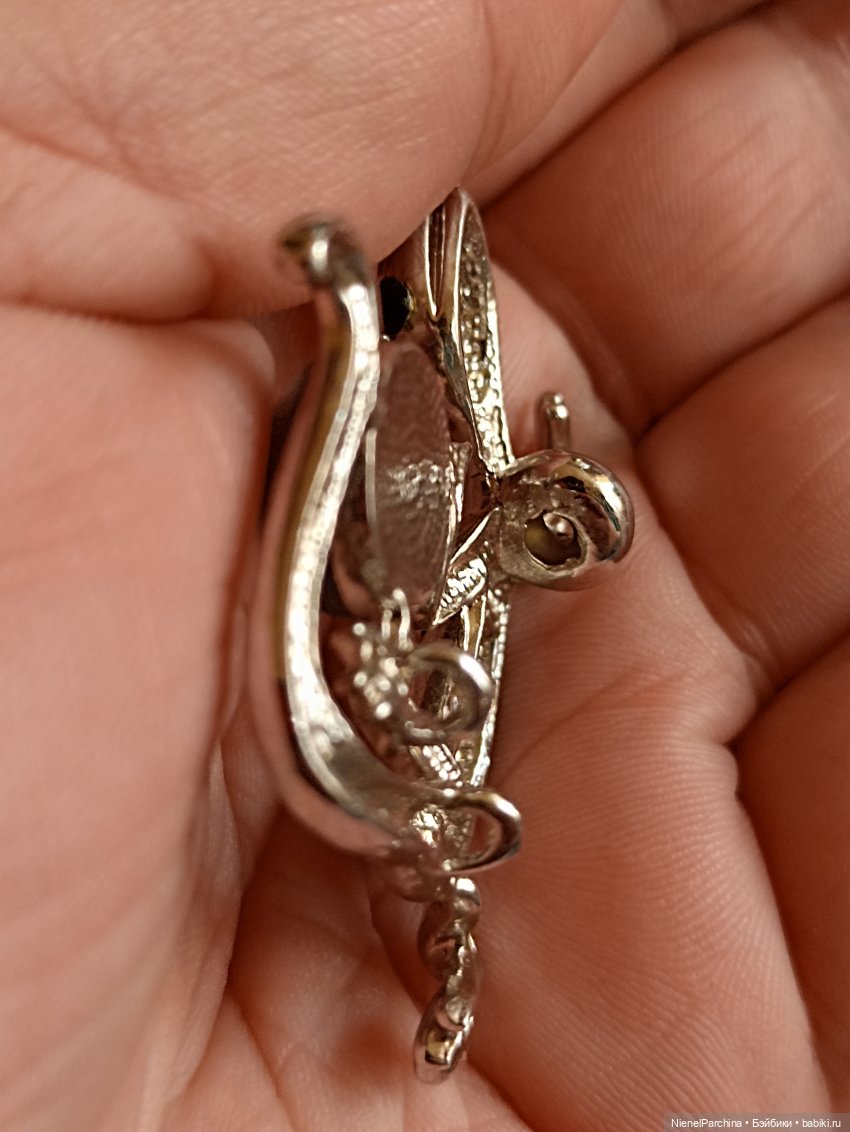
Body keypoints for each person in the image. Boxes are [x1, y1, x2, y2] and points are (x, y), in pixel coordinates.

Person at [1, 0, 847, 1127]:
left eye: (563, 539)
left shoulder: (473, 617)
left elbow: (444, 734)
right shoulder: (461, 453)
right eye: (561, 501)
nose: (545, 520)